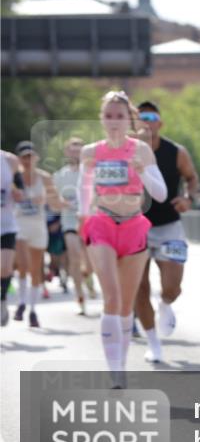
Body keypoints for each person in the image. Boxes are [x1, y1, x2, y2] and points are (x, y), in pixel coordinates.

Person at [78, 91, 168, 387]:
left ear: (129, 119)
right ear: (102, 119)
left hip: (133, 226)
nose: (114, 121)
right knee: (112, 297)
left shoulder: (141, 150)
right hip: (102, 223)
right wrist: (82, 220)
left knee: (127, 305)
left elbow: (161, 194)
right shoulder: (91, 152)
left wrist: (143, 173)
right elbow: (83, 189)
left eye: (120, 116)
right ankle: (114, 368)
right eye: (108, 116)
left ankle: (123, 363)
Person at [133, 100, 199, 363]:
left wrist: (188, 198)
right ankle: (153, 344)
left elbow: (192, 178)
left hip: (169, 226)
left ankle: (165, 304)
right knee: (140, 287)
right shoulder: (126, 151)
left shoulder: (176, 151)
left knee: (173, 287)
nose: (146, 123)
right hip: (135, 227)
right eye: (141, 117)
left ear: (160, 122)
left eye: (151, 118)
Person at [13, 141, 62, 327]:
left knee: (35, 270)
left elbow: (56, 202)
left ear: (36, 158)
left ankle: (32, 310)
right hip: (19, 225)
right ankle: (21, 303)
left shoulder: (45, 178)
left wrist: (64, 204)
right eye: (24, 157)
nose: (27, 160)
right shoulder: (12, 177)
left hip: (38, 227)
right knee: (23, 265)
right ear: (19, 159)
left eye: (30, 156)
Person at [53, 137, 94, 315]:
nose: (76, 153)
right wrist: (61, 203)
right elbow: (53, 200)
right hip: (70, 222)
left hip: (91, 221)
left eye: (79, 150)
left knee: (91, 263)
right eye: (72, 150)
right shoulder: (59, 176)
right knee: (75, 257)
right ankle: (80, 298)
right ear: (66, 152)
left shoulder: (93, 172)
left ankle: (88, 277)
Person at [1, 150, 25, 326]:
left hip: (6, 225)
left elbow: (20, 190)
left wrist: (18, 193)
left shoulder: (10, 161)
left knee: (5, 268)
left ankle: (2, 300)